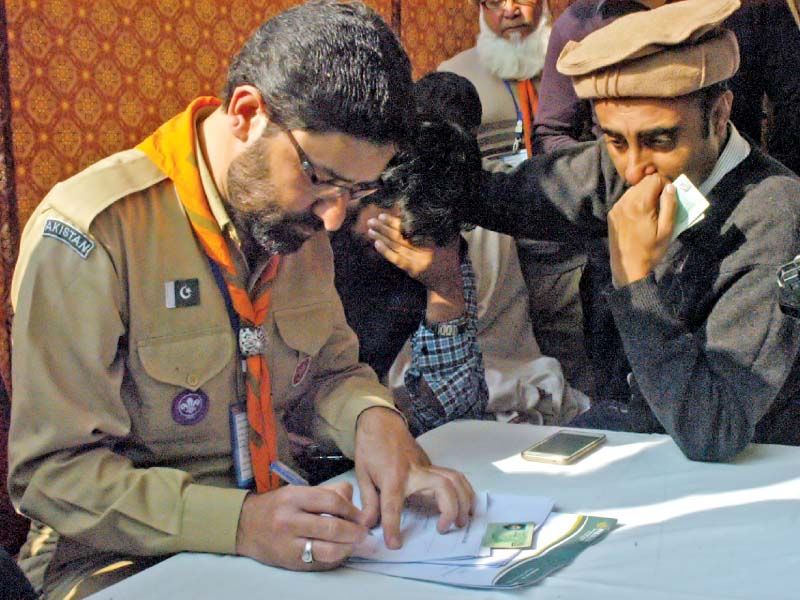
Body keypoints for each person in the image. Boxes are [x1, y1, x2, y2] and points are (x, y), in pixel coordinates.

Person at [7, 3, 474, 598]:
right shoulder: (93, 233)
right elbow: (51, 476)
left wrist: (373, 421)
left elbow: (330, 373)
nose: (334, 218)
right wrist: (239, 524)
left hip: (281, 536)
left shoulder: (295, 219)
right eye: (320, 178)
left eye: (356, 191)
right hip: (117, 563)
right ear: (247, 113)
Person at [379, 0, 800, 461]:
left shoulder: (774, 212)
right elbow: (511, 197)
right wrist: (424, 163)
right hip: (652, 434)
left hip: (754, 468)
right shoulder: (617, 167)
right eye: (616, 139)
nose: (635, 168)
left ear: (719, 115)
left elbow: (714, 428)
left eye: (660, 140)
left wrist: (635, 280)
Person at [332, 75, 587, 436]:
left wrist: (445, 292)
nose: (406, 244)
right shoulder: (320, 234)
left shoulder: (438, 241)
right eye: (391, 224)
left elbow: (456, 421)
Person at [439, 0, 593, 397]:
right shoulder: (455, 75)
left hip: (567, 255)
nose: (510, 11)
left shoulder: (579, 68)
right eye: (494, 1)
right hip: (492, 266)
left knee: (580, 371)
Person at [533, 0, 800, 175]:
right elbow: (553, 132)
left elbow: (794, 104)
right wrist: (613, 185)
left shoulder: (751, 7)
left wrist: (769, 188)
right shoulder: (578, 25)